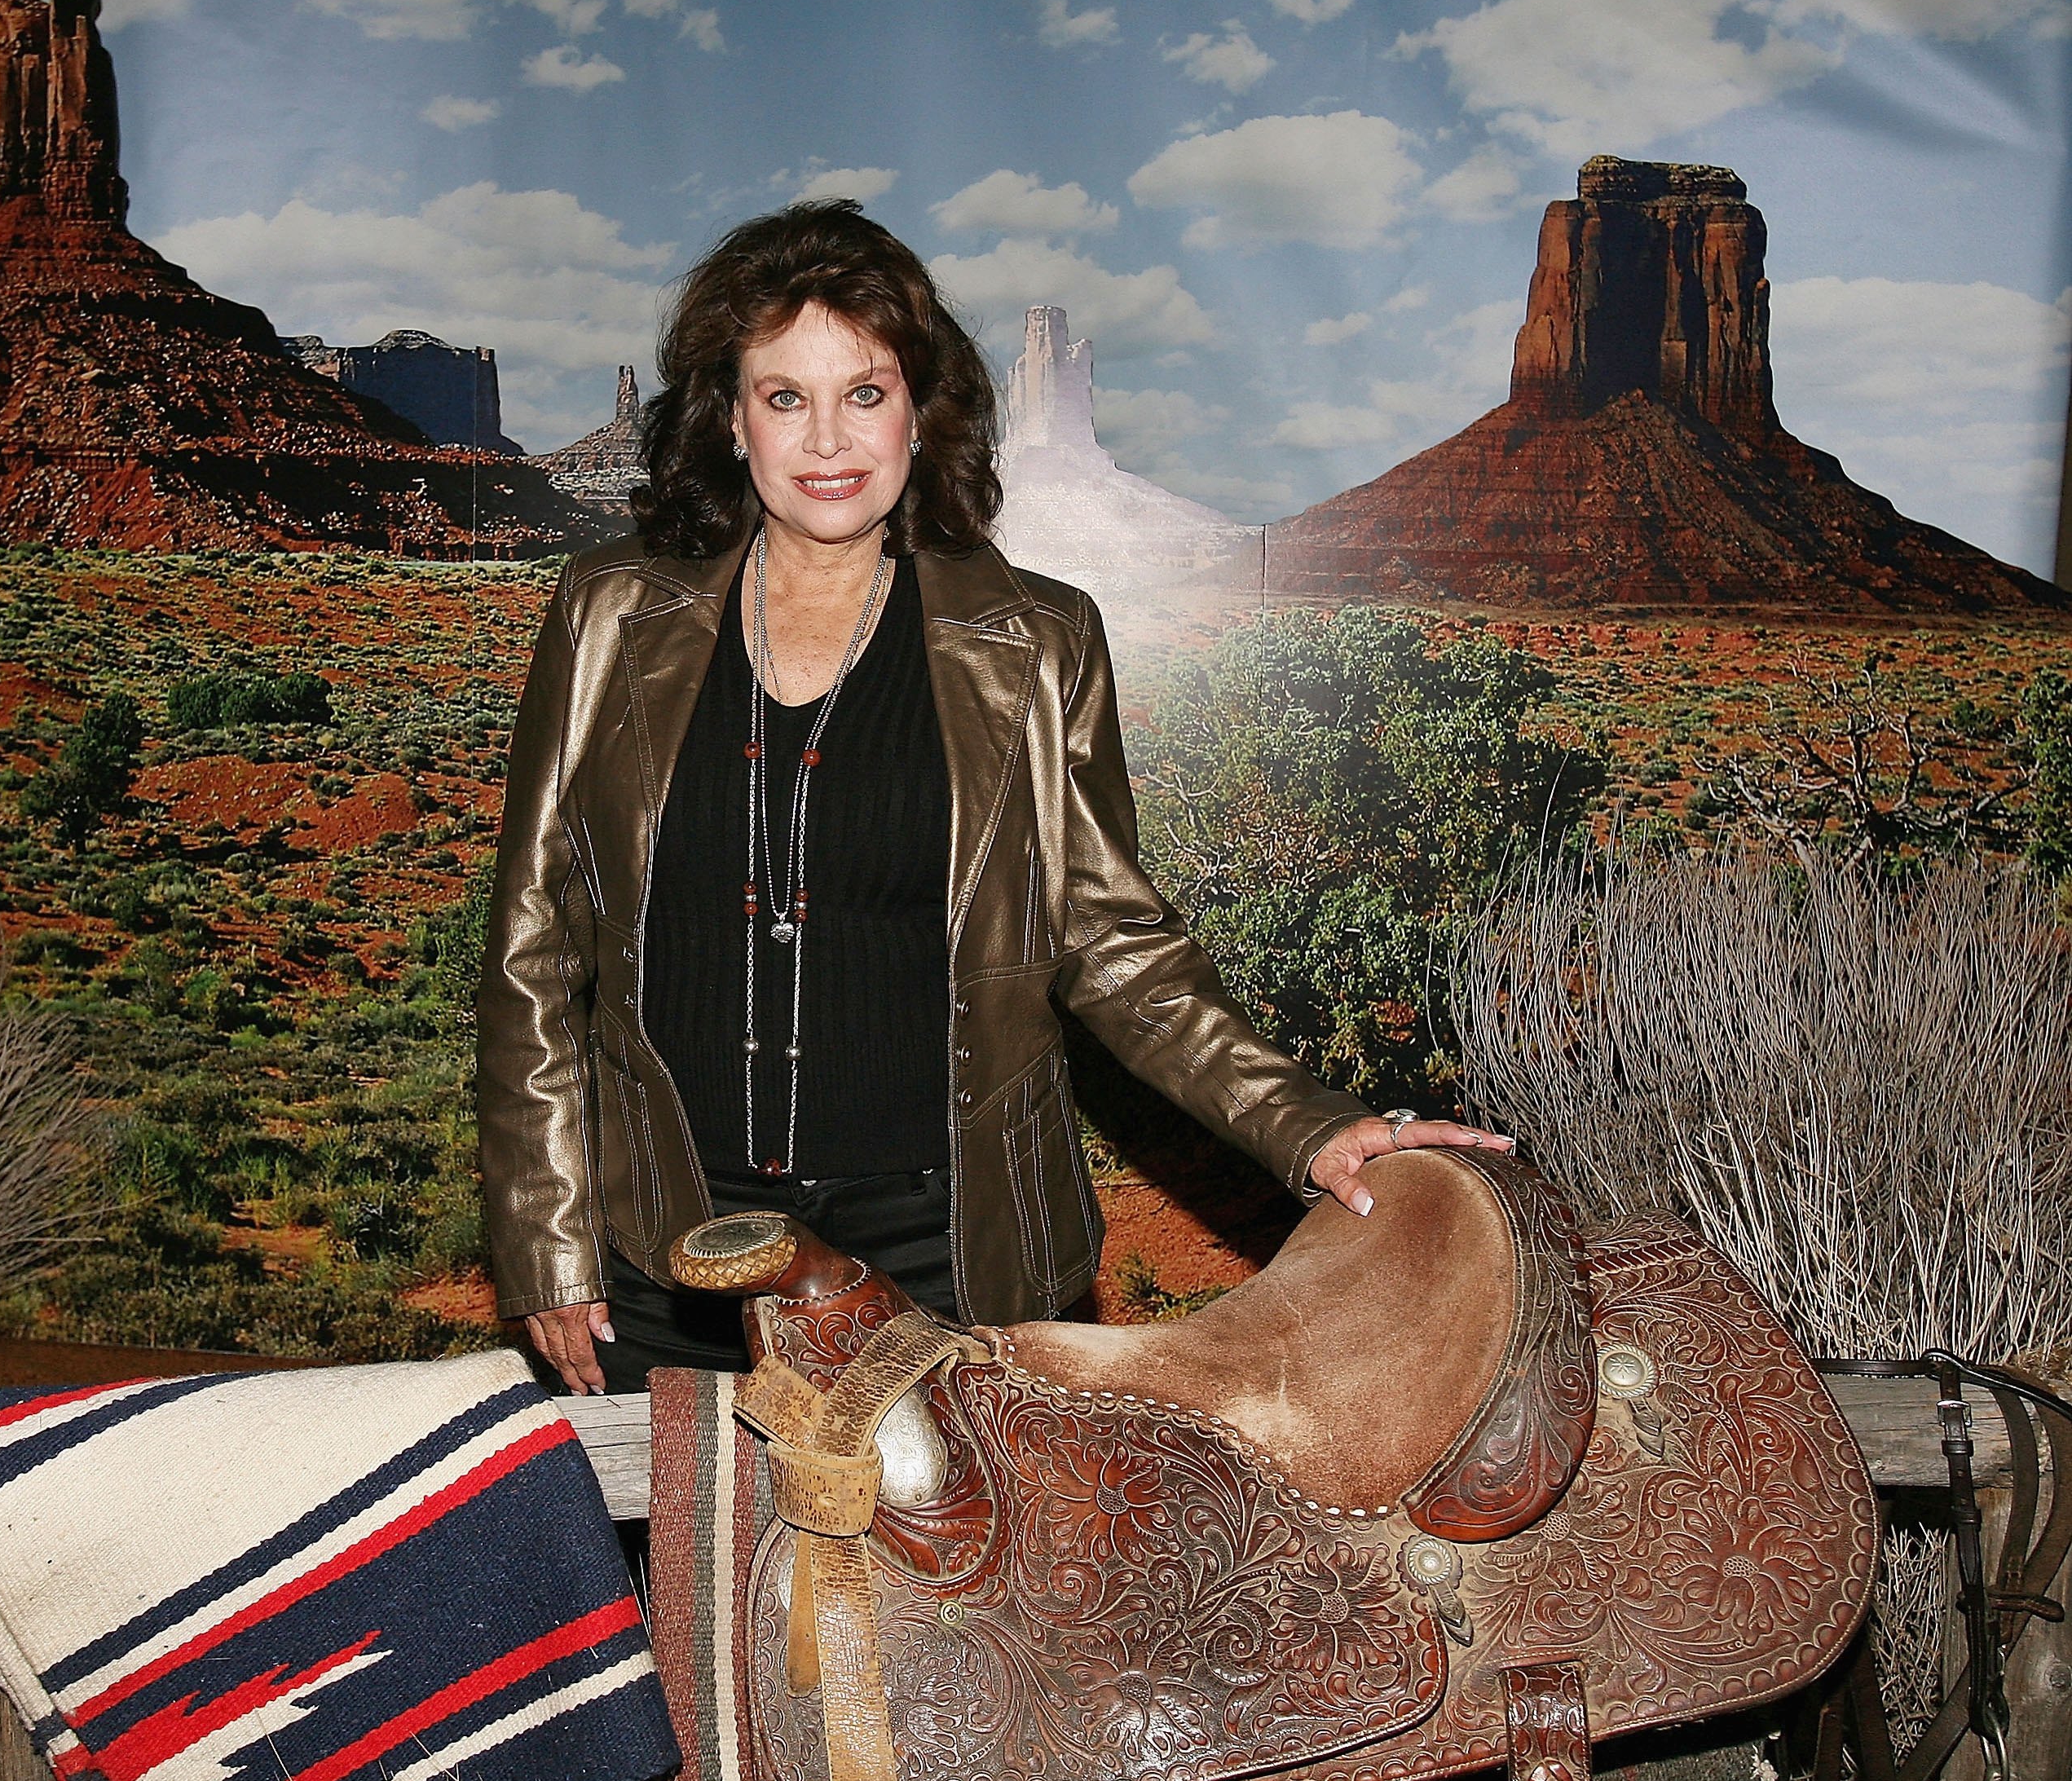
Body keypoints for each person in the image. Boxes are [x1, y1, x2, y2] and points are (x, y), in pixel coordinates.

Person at [477, 201, 1506, 1397]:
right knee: (688, 1583)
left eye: (865, 392)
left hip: (946, 1260)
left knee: (943, 1587)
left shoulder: (1039, 640)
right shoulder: (609, 613)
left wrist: (1313, 1125)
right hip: (672, 1256)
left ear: (922, 408)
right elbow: (533, 947)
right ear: (731, 418)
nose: (828, 438)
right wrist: (547, 1240)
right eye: (784, 396)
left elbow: (1113, 943)